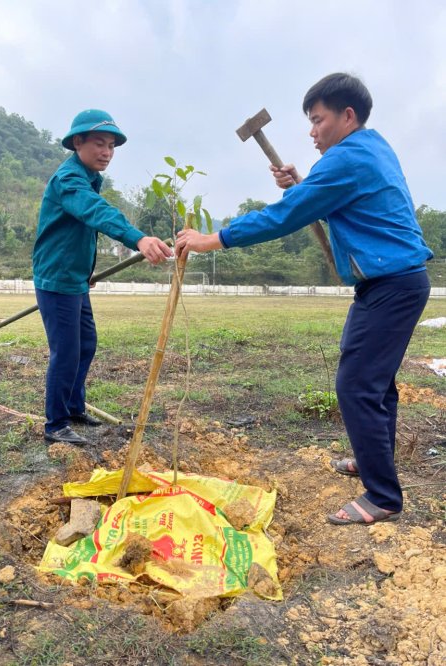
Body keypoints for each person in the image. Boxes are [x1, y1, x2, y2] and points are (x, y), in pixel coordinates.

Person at [175, 73, 433, 526]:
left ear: (347, 116)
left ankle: (383, 496)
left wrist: (211, 239)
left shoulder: (346, 161)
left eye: (318, 120)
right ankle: (374, 463)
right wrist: (302, 184)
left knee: (356, 385)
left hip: (391, 286)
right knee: (375, 383)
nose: (312, 131)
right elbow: (323, 200)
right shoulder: (371, 148)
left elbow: (286, 216)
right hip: (390, 284)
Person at [33, 109, 172, 445]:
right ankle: (55, 425)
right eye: (99, 144)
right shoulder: (69, 180)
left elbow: (78, 233)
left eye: (111, 146)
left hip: (76, 279)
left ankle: (74, 406)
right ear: (77, 142)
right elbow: (95, 212)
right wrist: (137, 237)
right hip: (57, 281)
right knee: (65, 351)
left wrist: (87, 272)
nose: (106, 152)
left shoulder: (89, 179)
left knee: (87, 344)